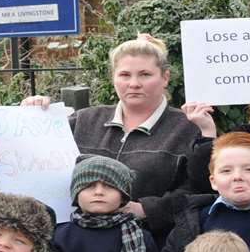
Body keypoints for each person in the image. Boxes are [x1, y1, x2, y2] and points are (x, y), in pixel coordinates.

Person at [68, 34, 208, 240]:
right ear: (113, 78)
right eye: (125, 75)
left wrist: (149, 209)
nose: (134, 83)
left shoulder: (189, 127)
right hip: (77, 247)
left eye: (145, 74)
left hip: (152, 247)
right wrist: (33, 114)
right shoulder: (82, 120)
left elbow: (201, 190)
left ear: (165, 77)